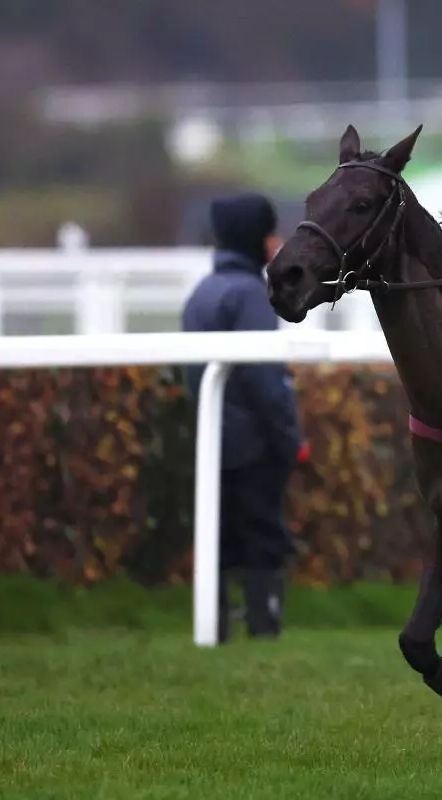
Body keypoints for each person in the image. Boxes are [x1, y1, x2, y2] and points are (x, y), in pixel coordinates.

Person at [181, 191, 309, 641]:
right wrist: (291, 439)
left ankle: (214, 628)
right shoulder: (251, 294)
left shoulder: (203, 291)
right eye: (271, 233)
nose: (277, 243)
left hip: (213, 441)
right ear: (254, 236)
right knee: (264, 540)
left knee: (220, 541)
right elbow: (265, 381)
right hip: (254, 446)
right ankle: (263, 629)